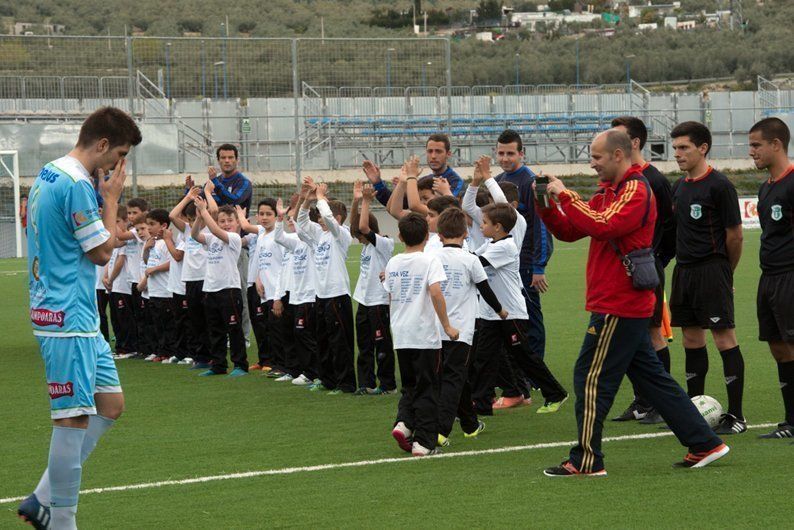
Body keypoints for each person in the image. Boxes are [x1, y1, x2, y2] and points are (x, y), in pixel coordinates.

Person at [537, 128, 728, 476]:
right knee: (654, 381)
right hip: (620, 301)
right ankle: (704, 442)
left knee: (590, 377)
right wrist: (546, 205)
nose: (591, 163)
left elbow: (603, 225)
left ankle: (587, 459)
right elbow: (570, 230)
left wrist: (565, 195)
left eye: (596, 157)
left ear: (618, 155)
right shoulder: (610, 190)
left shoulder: (636, 190)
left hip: (619, 303)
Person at [19, 106, 141, 530]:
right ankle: (61, 519)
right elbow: (102, 252)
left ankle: (42, 498)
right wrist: (110, 200)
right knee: (71, 417)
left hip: (77, 316)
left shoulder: (50, 172)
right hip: (66, 316)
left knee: (110, 404)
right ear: (103, 145)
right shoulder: (77, 184)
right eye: (119, 154)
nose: (117, 166)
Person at [669, 121, 746, 435]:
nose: (678, 154)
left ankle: (737, 416)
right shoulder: (679, 187)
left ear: (702, 148)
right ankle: (694, 411)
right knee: (690, 339)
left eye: (684, 147)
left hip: (712, 269)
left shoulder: (720, 185)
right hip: (683, 271)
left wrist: (726, 271)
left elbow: (736, 236)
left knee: (723, 337)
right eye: (675, 148)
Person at [470, 203, 568, 416]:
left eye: (484, 223)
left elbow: (474, 263)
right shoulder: (490, 243)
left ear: (498, 227)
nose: (480, 226)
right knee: (484, 358)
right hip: (491, 314)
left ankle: (555, 393)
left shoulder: (505, 246)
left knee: (525, 358)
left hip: (510, 313)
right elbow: (470, 255)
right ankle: (481, 403)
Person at [610, 116, 677, 424]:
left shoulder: (654, 180)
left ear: (634, 143)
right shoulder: (620, 179)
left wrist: (656, 262)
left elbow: (670, 227)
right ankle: (641, 401)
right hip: (623, 271)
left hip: (646, 269)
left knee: (652, 334)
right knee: (632, 337)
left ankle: (658, 402)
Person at [385, 213, 459, 457]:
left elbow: (390, 296)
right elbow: (436, 293)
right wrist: (447, 326)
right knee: (428, 388)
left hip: (402, 334)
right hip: (424, 336)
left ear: (399, 236)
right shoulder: (429, 261)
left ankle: (404, 424)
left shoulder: (393, 262)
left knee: (410, 385)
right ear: (428, 237)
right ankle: (423, 443)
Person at [435, 207, 502, 446]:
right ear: (465, 233)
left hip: (436, 329)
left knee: (456, 377)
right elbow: (485, 289)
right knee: (454, 378)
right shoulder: (470, 259)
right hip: (461, 332)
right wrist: (500, 310)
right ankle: (441, 430)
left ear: (440, 234)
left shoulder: (433, 258)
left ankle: (470, 425)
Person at [748, 117, 794, 439]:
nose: (751, 152)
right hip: (769, 277)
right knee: (778, 348)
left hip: (791, 276)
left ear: (776, 144)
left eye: (756, 145)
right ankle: (790, 420)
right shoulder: (766, 187)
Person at [493, 130, 554, 362]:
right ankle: (514, 368)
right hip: (502, 264)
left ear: (521, 153)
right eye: (501, 153)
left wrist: (539, 267)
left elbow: (542, 226)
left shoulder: (531, 183)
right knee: (506, 317)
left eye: (510, 153)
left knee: (530, 317)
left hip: (526, 263)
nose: (505, 158)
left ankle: (535, 370)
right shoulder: (497, 183)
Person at [297, 178, 357, 394]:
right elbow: (301, 223)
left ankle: (346, 383)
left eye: (322, 215)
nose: (319, 219)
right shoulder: (319, 237)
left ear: (337, 217)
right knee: (322, 339)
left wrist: (322, 197)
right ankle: (328, 379)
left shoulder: (341, 235)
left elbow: (330, 220)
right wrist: (306, 200)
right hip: (320, 295)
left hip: (337, 295)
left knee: (340, 342)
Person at [191, 200, 248, 377]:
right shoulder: (212, 238)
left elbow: (215, 230)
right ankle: (218, 365)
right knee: (215, 331)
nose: (226, 224)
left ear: (237, 222)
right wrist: (199, 218)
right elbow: (194, 235)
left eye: (230, 220)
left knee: (234, 329)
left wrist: (203, 210)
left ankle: (240, 365)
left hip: (229, 290)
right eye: (222, 221)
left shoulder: (234, 238)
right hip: (211, 289)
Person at [350, 181, 396, 395]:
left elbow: (362, 227)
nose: (358, 237)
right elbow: (355, 228)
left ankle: (387, 385)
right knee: (365, 345)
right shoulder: (366, 247)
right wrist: (356, 201)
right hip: (364, 301)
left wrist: (367, 201)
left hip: (379, 302)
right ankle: (366, 383)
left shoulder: (384, 244)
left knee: (382, 345)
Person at [206, 143, 253, 346]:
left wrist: (215, 182)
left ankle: (243, 336)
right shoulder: (213, 183)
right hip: (216, 245)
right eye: (223, 157)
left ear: (236, 159)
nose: (226, 161)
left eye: (230, 157)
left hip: (237, 245)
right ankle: (225, 333)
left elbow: (235, 200)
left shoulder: (243, 182)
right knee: (219, 294)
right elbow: (208, 207)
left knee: (240, 291)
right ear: (218, 160)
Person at [273, 194, 318, 384]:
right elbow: (278, 236)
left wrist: (299, 206)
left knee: (306, 335)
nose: (292, 221)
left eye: (294, 218)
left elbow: (301, 230)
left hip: (309, 295)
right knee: (296, 335)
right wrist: (279, 218)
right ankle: (302, 370)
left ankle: (311, 373)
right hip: (296, 296)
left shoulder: (310, 240)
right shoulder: (294, 243)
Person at [170, 184, 215, 369]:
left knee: (209, 318)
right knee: (195, 319)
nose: (190, 222)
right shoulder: (188, 230)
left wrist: (207, 194)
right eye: (188, 219)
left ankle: (213, 355)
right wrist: (188, 197)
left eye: (193, 218)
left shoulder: (210, 229)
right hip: (190, 280)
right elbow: (172, 215)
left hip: (207, 279)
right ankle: (201, 357)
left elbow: (213, 209)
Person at [365, 133, 464, 207]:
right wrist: (378, 183)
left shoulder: (456, 181)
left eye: (438, 151)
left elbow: (448, 209)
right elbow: (395, 205)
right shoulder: (424, 180)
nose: (433, 156)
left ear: (448, 154)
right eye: (430, 151)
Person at [237, 200, 279, 371]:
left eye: (268, 214)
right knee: (258, 323)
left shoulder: (273, 232)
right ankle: (264, 360)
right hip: (253, 282)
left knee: (269, 325)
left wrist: (240, 215)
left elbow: (246, 226)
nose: (264, 217)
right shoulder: (260, 234)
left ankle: (273, 361)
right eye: (261, 214)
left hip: (269, 285)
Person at [141, 209, 176, 363]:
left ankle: (169, 352)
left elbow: (171, 262)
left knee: (168, 324)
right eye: (147, 224)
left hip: (165, 291)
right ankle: (160, 351)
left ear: (163, 225)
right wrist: (147, 248)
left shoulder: (166, 242)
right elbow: (147, 261)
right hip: (154, 290)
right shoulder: (153, 243)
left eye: (152, 224)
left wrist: (154, 269)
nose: (148, 228)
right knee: (158, 324)